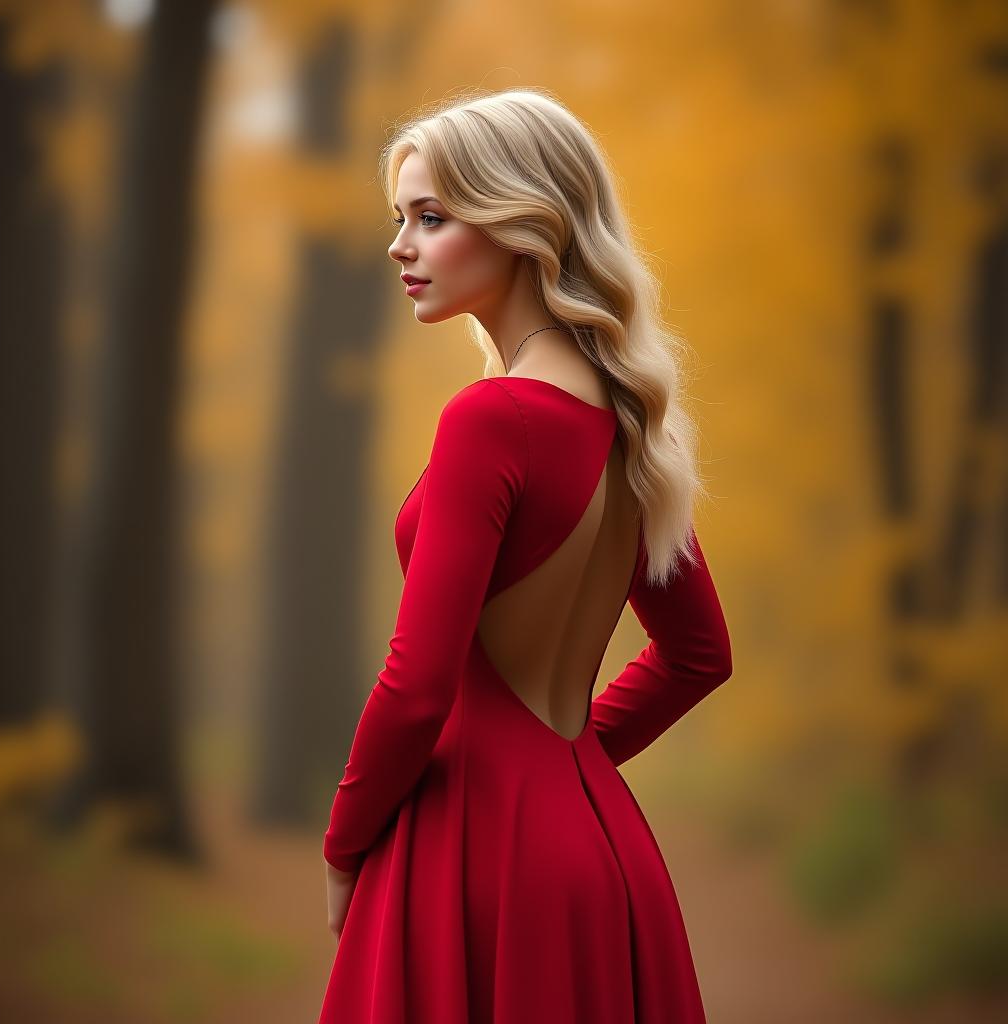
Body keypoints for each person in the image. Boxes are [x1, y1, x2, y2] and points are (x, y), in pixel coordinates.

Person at [318, 87, 732, 1024]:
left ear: (522, 223)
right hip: (603, 858)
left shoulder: (490, 419)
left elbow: (417, 684)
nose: (400, 246)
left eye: (431, 216)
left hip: (469, 856)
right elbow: (700, 656)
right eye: (400, 219)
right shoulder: (631, 427)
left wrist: (346, 844)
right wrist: (560, 768)